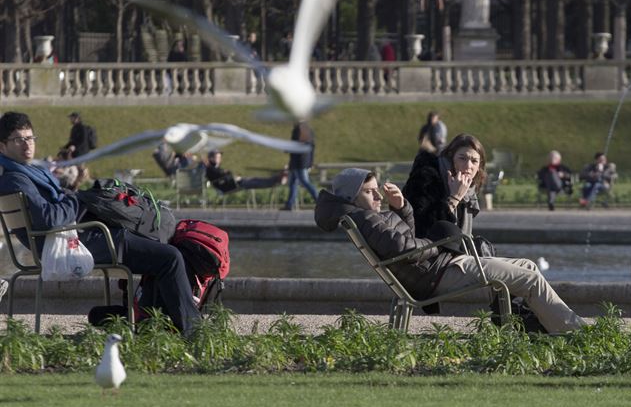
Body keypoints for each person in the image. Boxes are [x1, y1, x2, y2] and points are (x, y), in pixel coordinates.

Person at [0, 112, 200, 336]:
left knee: (157, 243)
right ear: (3, 146)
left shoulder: (23, 173)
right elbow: (49, 219)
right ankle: (193, 332)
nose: (27, 145)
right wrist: (76, 199)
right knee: (170, 258)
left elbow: (55, 210)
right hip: (74, 241)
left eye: (30, 138)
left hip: (76, 235)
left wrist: (75, 195)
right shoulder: (16, 179)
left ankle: (146, 320)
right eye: (19, 140)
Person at [315, 168, 585, 333]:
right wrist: (442, 245)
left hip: (437, 269)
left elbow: (406, 239)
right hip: (441, 273)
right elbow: (406, 250)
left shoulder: (366, 217)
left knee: (527, 266)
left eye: (377, 191)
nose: (377, 196)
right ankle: (573, 333)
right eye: (369, 192)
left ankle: (553, 328)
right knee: (528, 277)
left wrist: (401, 208)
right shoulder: (367, 219)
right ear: (352, 197)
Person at [203, 149, 286, 194]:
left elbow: (225, 175)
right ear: (211, 158)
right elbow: (222, 177)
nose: (220, 159)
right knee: (254, 182)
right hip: (230, 186)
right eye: (217, 157)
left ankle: (276, 179)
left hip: (234, 183)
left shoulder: (213, 168)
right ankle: (276, 180)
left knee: (254, 180)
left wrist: (231, 176)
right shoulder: (211, 168)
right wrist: (233, 177)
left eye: (219, 157)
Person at [282, 121, 317, 211]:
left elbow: (298, 146)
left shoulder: (299, 130)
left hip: (299, 162)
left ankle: (319, 200)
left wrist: (288, 148)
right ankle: (289, 204)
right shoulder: (306, 129)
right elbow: (311, 146)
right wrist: (311, 162)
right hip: (298, 161)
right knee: (293, 183)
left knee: (305, 182)